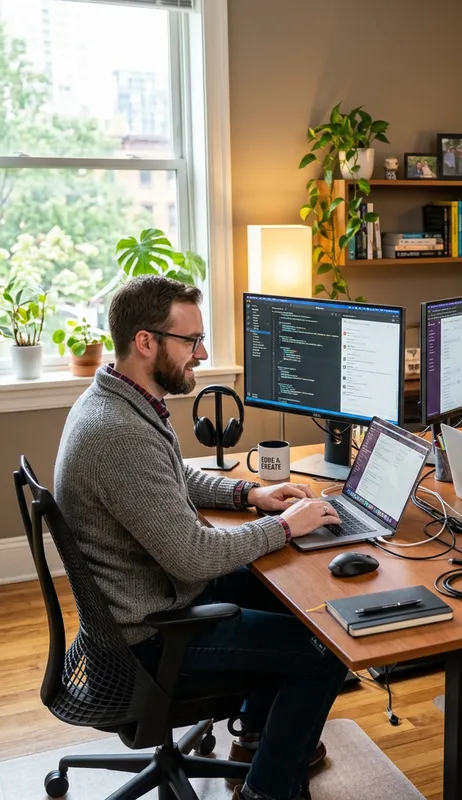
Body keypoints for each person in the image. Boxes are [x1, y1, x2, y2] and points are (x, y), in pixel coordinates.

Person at [54, 275, 348, 800]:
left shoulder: (117, 398)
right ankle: (266, 790)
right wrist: (284, 526)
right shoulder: (118, 433)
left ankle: (259, 737)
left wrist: (250, 497)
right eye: (192, 341)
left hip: (143, 604)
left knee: (287, 594)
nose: (203, 353)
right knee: (323, 652)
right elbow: (192, 556)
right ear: (146, 342)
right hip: (150, 639)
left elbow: (173, 478)